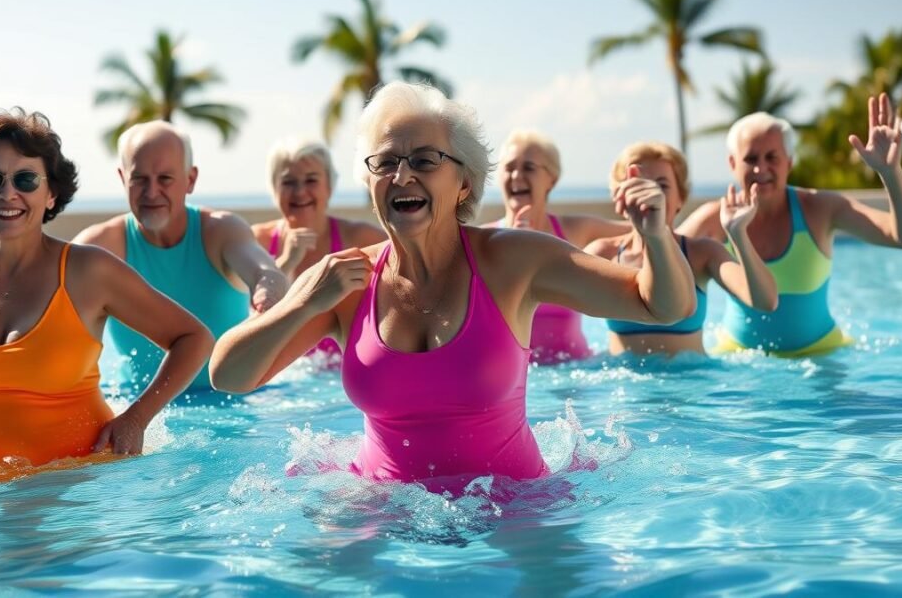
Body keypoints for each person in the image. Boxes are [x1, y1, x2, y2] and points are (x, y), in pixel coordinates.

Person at [209, 82, 695, 495]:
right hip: (383, 505)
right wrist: (302, 302)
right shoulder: (349, 284)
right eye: (386, 162)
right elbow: (227, 375)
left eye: (424, 160)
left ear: (463, 182)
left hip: (514, 505)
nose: (403, 176)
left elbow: (662, 306)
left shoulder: (513, 261)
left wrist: (654, 235)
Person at [0, 109, 213, 466]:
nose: (8, 193)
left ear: (51, 194)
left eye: (25, 180)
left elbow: (194, 338)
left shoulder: (87, 271)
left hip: (73, 487)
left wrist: (137, 417)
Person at [679, 93, 902, 356]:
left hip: (820, 356)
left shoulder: (820, 209)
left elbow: (899, 237)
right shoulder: (714, 219)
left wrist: (890, 172)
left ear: (789, 162)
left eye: (771, 157)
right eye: (750, 159)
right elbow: (659, 261)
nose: (760, 168)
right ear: (732, 164)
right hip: (737, 360)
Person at [74, 121, 287, 389]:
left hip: (236, 406)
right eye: (139, 179)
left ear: (190, 179)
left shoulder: (221, 231)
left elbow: (265, 271)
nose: (152, 192)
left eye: (165, 178)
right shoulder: (100, 246)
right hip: (136, 404)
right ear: (122, 178)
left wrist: (266, 295)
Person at [585, 142, 777, 356]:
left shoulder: (701, 253)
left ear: (680, 198)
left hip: (690, 384)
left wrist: (739, 234)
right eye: (641, 184)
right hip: (623, 385)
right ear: (619, 196)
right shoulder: (603, 254)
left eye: (662, 185)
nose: (651, 195)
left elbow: (764, 301)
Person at [485, 130, 627, 362]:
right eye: (509, 167)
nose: (516, 175)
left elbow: (644, 233)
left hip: (575, 373)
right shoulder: (484, 240)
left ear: (551, 179)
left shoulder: (575, 231)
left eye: (529, 167)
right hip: (516, 380)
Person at [251, 138, 385, 364]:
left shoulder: (360, 239)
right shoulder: (257, 241)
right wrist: (287, 262)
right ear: (274, 188)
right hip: (285, 374)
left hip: (337, 372)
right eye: (288, 182)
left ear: (329, 187)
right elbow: (254, 325)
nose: (300, 192)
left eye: (311, 180)